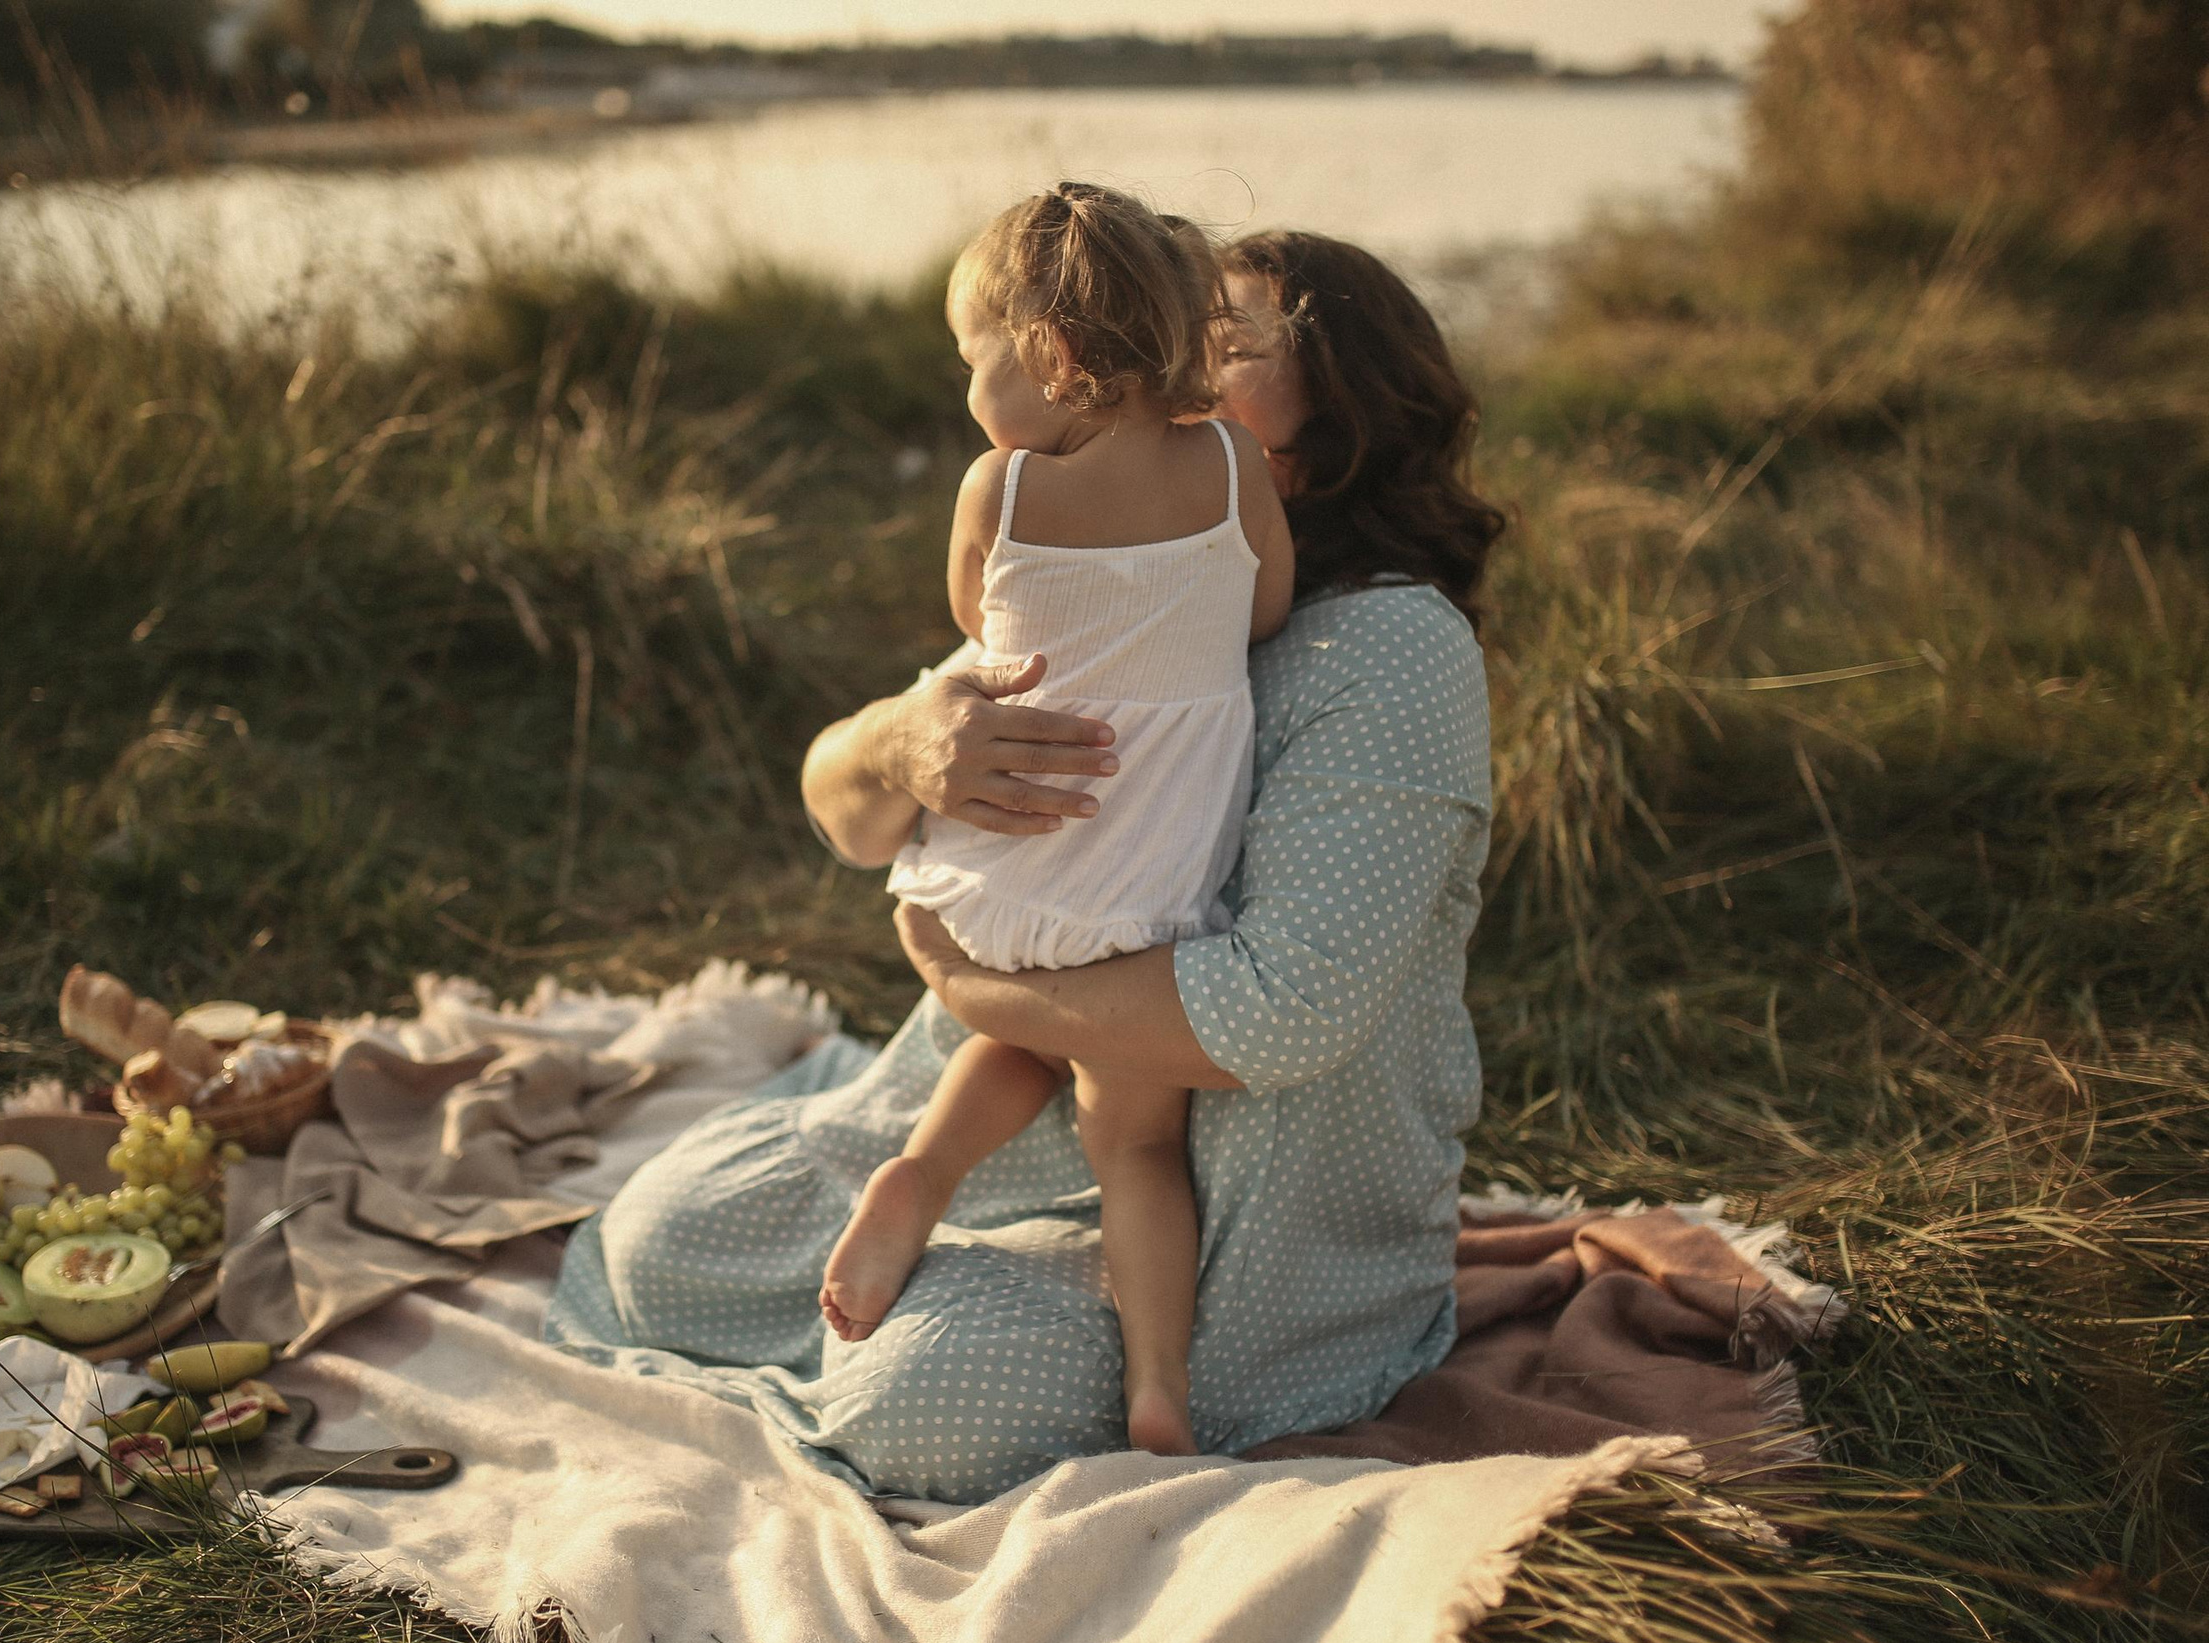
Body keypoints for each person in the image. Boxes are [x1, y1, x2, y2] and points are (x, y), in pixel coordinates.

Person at [544, 227, 1506, 1508]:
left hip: (1223, 1222)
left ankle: (1070, 1338)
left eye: (1222, 345)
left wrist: (973, 988)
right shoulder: (1109, 565)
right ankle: (914, 1202)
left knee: (931, 1410)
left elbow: (1285, 1014)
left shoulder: (1388, 648)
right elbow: (842, 807)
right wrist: (904, 740)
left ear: (1341, 415)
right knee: (663, 1241)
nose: (1167, 366)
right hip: (992, 1118)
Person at [815, 184, 1296, 1463]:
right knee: (1135, 1143)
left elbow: (980, 622)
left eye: (974, 357)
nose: (969, 388)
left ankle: (920, 1174)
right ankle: (1159, 1391)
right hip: (1144, 872)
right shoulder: (1235, 461)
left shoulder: (1003, 491)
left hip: (1010, 853)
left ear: (1056, 358)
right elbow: (1263, 608)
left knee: (1020, 1015)